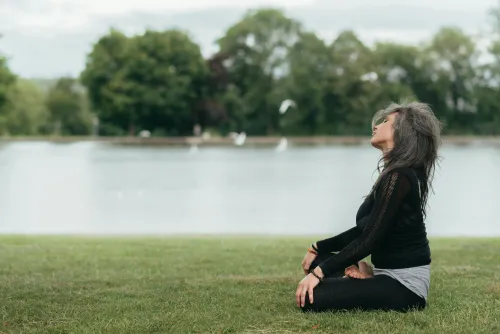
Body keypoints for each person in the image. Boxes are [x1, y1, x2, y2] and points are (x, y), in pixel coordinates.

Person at [295, 101, 442, 312]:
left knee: (312, 297)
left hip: (404, 286)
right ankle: (366, 277)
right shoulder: (393, 174)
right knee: (316, 261)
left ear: (402, 133)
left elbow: (369, 239)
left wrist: (319, 274)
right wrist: (319, 247)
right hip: (386, 275)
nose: (376, 125)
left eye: (385, 121)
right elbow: (363, 229)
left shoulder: (399, 177)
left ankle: (367, 278)